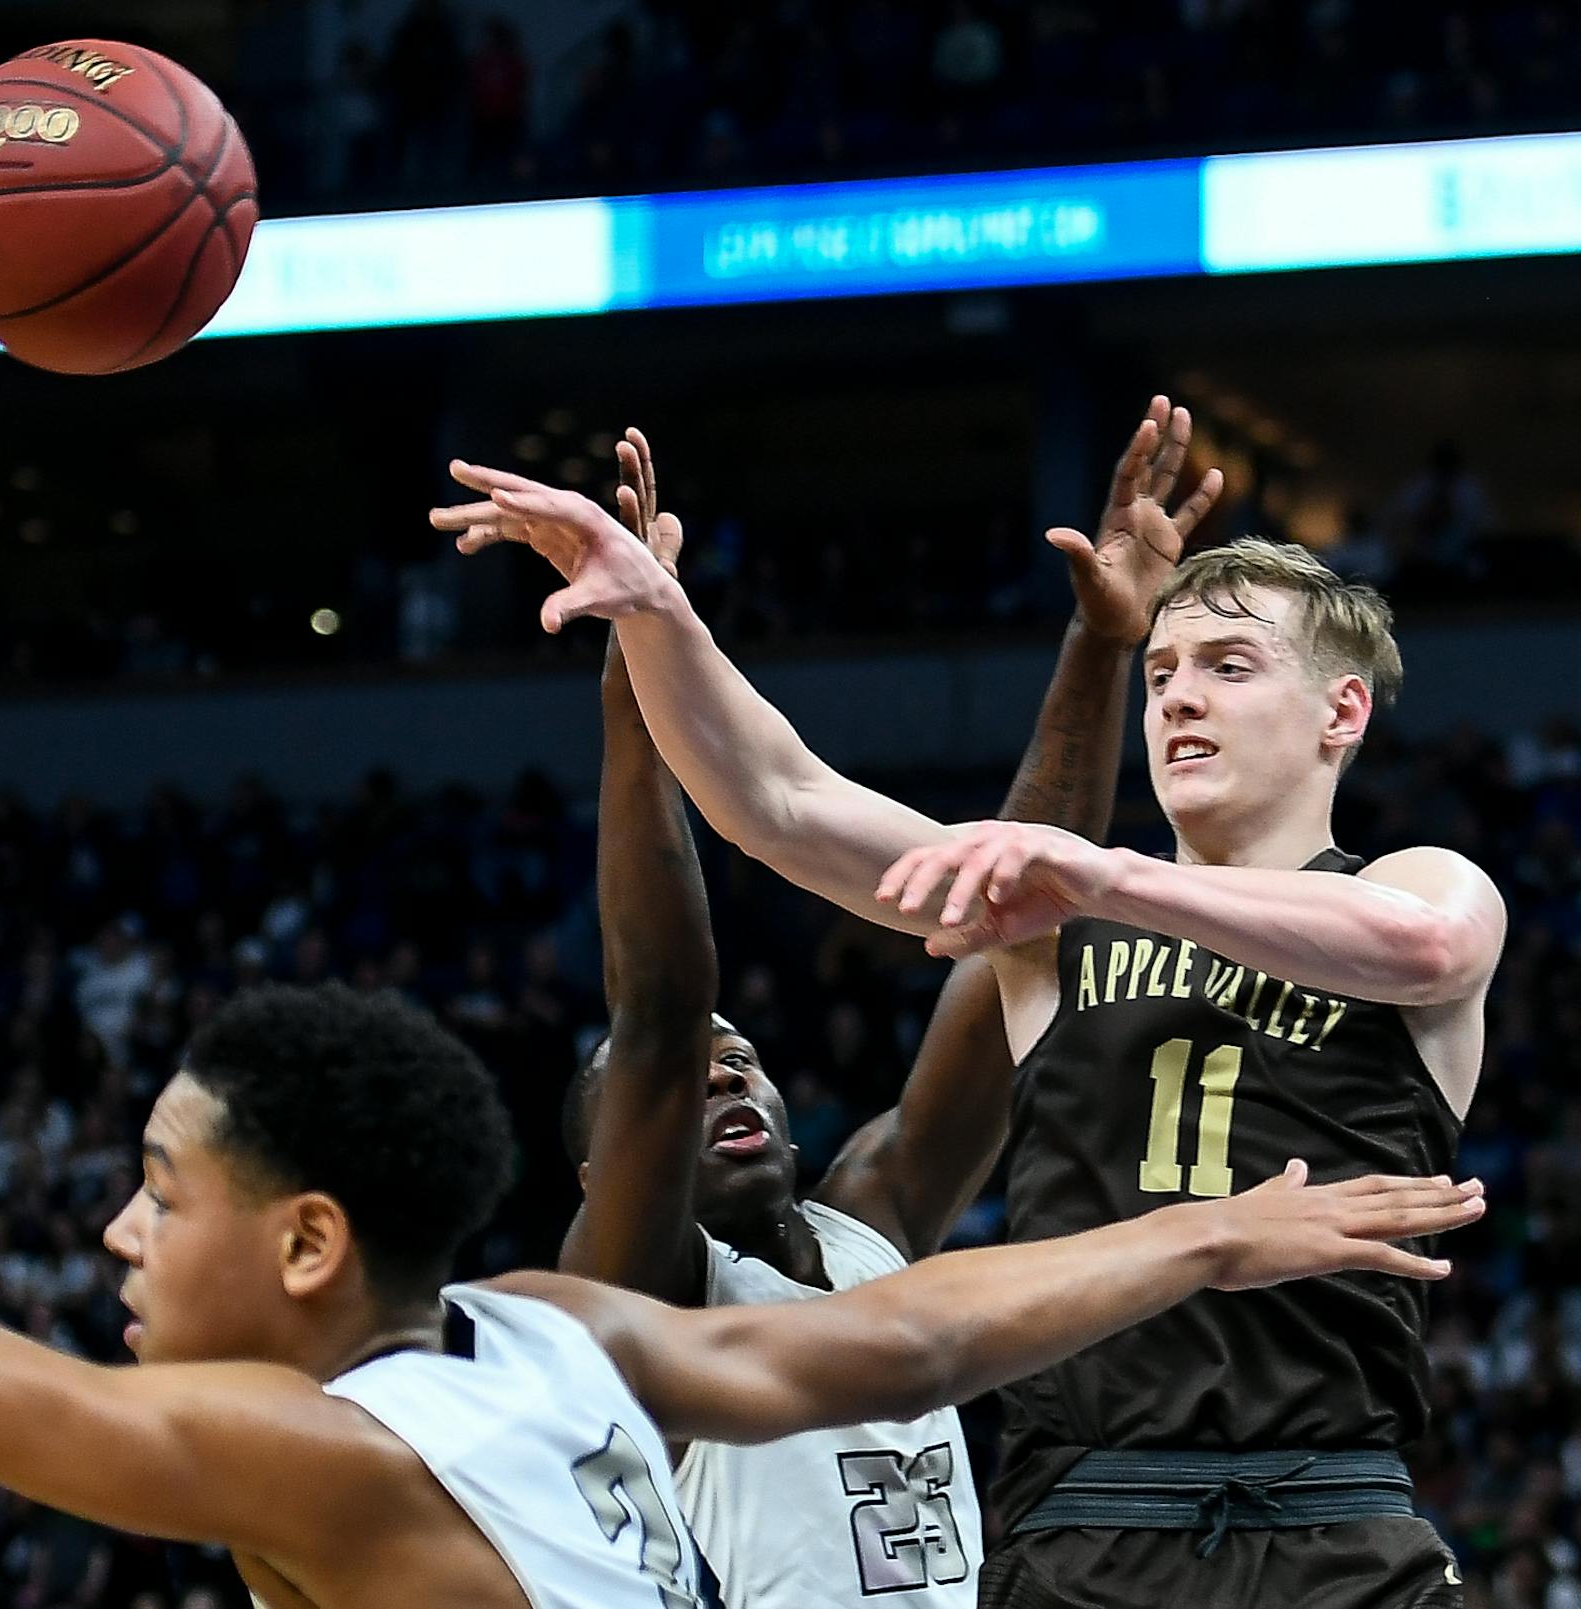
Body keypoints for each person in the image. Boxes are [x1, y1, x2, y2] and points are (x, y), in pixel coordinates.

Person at [0, 700, 1484, 1609]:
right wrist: (1202, 1236)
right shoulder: (543, 1333)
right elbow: (897, 1345)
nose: (115, 1224)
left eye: (160, 1185)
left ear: (304, 1245)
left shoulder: (330, 1457)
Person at [438, 417, 1506, 1609]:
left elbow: (1430, 949)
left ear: (1341, 713)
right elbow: (783, 802)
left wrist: (1107, 875)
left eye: (1229, 668)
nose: (1177, 700)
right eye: (1160, 673)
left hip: (1335, 1520)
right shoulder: (1056, 918)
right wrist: (656, 617)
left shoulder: (1407, 882)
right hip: (1086, 1527)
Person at [562, 408, 1216, 1607]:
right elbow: (658, 1006)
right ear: (607, 1175)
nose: (720, 1076)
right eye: (670, 1087)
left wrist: (1100, 643)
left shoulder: (873, 1222)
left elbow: (1017, 915)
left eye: (742, 1059)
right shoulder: (640, 1290)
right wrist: (634, 680)